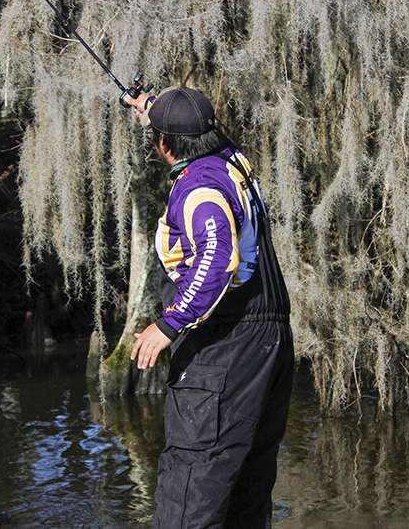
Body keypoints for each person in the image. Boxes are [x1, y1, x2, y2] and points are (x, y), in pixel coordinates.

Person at [124, 87, 294, 528]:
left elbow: (218, 255)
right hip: (269, 343)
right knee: (245, 494)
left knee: (190, 495)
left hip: (224, 349)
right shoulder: (233, 163)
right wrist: (155, 113)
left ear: (164, 145)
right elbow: (195, 132)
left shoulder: (199, 186)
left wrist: (168, 325)